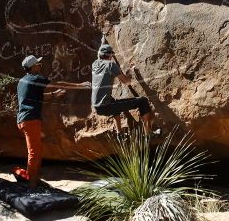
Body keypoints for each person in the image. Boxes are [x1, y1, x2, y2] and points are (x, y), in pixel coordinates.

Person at [16, 54, 89, 188]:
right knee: (34, 152)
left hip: (23, 119)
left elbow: (36, 97)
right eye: (39, 64)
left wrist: (55, 94)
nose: (40, 66)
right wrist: (79, 85)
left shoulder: (23, 81)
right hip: (30, 119)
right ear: (33, 67)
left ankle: (35, 179)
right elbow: (57, 83)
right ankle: (31, 184)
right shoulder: (35, 78)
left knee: (37, 150)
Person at [91, 44, 156, 134]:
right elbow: (126, 82)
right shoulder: (110, 65)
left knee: (112, 101)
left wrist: (102, 43)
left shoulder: (95, 64)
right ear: (110, 55)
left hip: (96, 106)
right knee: (143, 101)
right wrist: (130, 73)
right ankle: (148, 135)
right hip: (106, 106)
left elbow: (100, 55)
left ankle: (119, 133)